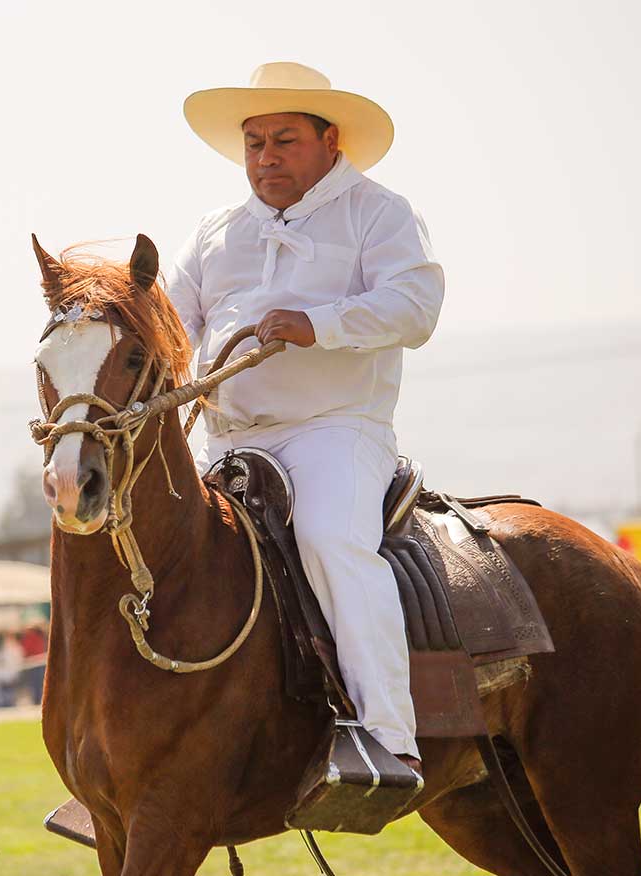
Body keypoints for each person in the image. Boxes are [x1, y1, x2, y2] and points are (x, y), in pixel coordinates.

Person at [167, 62, 444, 777]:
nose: (264, 158)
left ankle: (388, 738)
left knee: (328, 540)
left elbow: (416, 308)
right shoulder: (214, 231)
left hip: (336, 430)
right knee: (158, 553)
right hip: (226, 439)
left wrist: (319, 325)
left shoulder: (379, 212)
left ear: (330, 141)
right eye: (254, 142)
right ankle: (145, 751)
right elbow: (173, 326)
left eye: (283, 140)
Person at [19, 623, 47, 706]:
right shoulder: (41, 636)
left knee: (35, 684)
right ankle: (37, 701)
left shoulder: (30, 636)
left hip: (33, 663)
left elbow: (27, 649)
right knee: (38, 684)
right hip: (38, 663)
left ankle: (36, 701)